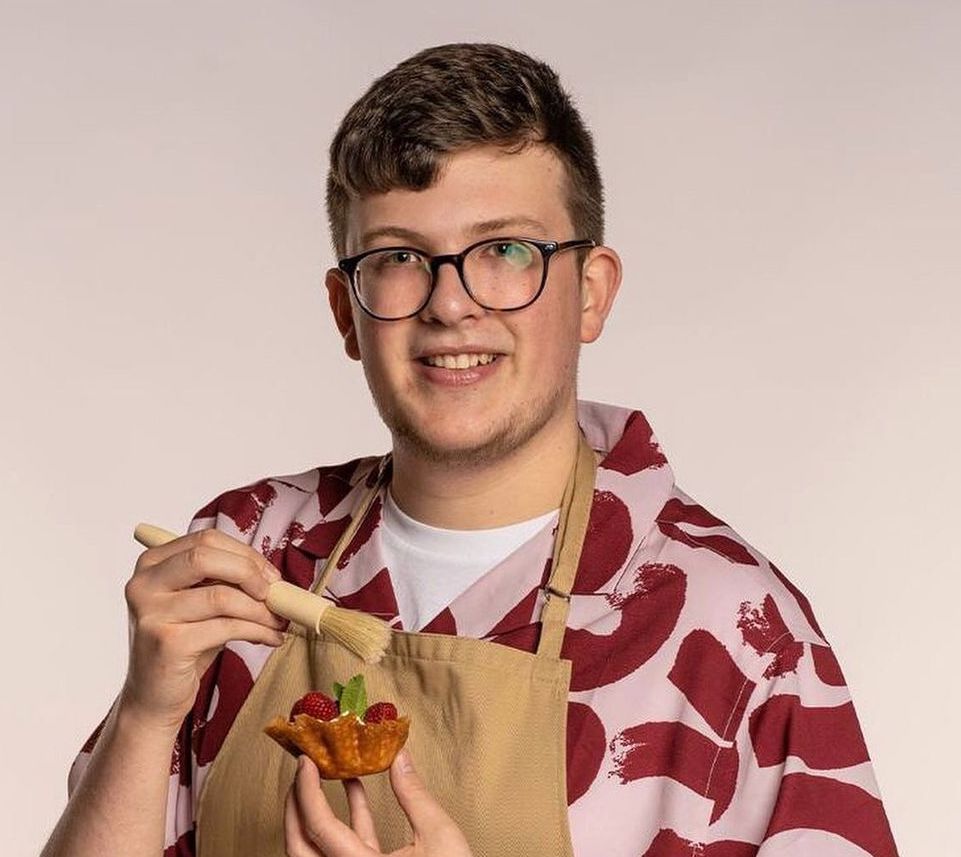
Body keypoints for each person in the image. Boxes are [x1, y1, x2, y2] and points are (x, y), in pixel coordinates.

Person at [44, 43, 899, 857]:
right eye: (399, 258)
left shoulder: (731, 630)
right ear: (347, 312)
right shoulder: (253, 553)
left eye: (503, 251)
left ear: (590, 292)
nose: (450, 305)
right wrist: (148, 713)